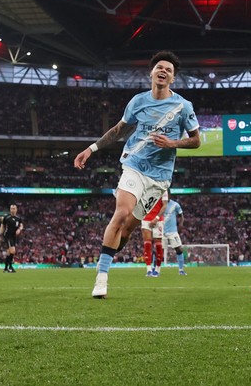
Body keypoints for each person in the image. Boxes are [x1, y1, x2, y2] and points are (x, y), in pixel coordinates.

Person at [74, 51, 201, 298]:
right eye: (159, 68)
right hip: (134, 165)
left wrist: (172, 144)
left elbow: (196, 141)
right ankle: (102, 277)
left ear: (173, 79)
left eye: (169, 70)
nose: (163, 71)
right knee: (121, 213)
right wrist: (91, 149)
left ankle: (108, 254)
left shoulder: (183, 106)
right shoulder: (138, 101)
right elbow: (118, 130)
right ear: (151, 73)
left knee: (129, 229)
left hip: (159, 178)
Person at [159, 191, 187, 275]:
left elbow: (181, 215)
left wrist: (181, 224)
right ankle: (155, 269)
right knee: (158, 250)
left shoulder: (175, 205)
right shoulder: (159, 205)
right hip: (161, 231)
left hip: (172, 232)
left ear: (169, 195)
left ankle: (181, 270)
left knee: (179, 249)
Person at [141, 193, 166, 277]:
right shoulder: (145, 187)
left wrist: (156, 218)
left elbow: (164, 205)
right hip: (146, 219)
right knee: (147, 243)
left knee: (158, 245)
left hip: (158, 220)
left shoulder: (163, 188)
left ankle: (157, 270)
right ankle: (148, 269)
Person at [0, 204, 23, 273]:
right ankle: (10, 267)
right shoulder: (7, 217)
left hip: (14, 237)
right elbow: (2, 225)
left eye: (14, 208)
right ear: (10, 210)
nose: (12, 210)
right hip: (8, 236)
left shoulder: (18, 218)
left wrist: (19, 229)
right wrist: (0, 233)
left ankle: (6, 268)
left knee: (9, 253)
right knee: (13, 251)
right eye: (11, 208)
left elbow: (21, 225)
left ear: (16, 209)